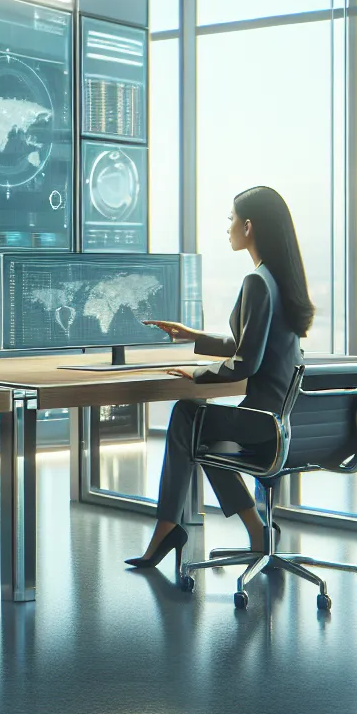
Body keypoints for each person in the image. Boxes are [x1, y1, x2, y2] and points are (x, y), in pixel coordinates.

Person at [129, 185, 314, 572]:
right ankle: (254, 529)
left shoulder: (257, 282)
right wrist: (195, 337)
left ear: (248, 227)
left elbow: (245, 362)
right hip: (282, 421)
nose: (227, 227)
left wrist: (196, 375)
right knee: (201, 433)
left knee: (186, 415)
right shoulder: (279, 280)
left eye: (231, 219)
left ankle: (168, 528)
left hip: (261, 423)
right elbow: (251, 344)